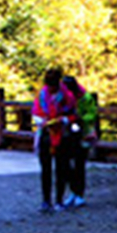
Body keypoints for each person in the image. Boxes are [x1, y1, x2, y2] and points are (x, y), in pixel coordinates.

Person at [31, 65, 74, 213]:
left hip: (62, 134)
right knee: (46, 169)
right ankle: (46, 200)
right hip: (45, 133)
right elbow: (36, 112)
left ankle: (59, 200)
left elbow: (73, 114)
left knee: (61, 168)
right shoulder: (42, 96)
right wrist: (41, 120)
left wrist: (64, 120)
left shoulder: (67, 96)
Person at [58, 72, 96, 207]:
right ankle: (73, 191)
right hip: (66, 133)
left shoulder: (85, 98)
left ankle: (79, 194)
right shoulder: (61, 97)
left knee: (79, 164)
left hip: (83, 133)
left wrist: (80, 119)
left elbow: (92, 114)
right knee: (66, 164)